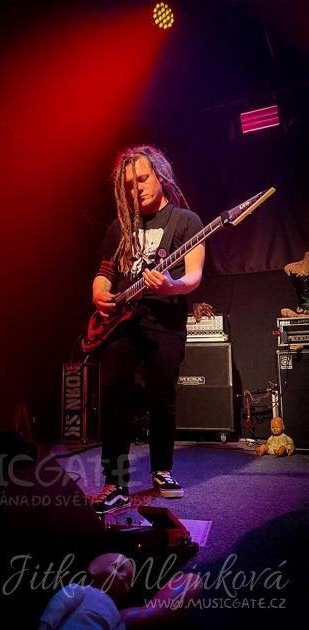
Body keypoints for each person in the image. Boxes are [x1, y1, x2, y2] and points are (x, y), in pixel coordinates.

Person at [89, 144, 205, 514]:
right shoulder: (119, 228)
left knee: (162, 397)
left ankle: (161, 470)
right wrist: (98, 292)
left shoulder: (186, 221)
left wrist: (171, 286)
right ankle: (114, 483)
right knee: (115, 393)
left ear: (160, 176)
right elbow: (105, 272)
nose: (135, 188)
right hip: (123, 323)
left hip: (165, 322)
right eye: (128, 184)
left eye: (142, 179)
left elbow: (193, 276)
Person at [37, 552, 203, 630]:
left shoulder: (116, 615)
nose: (123, 577)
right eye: (118, 568)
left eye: (129, 582)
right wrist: (45, 624)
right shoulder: (81, 590)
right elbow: (60, 603)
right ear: (94, 568)